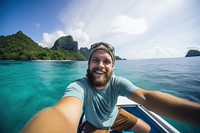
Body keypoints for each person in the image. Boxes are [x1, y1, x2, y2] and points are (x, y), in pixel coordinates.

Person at [22, 42, 200, 133]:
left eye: (106, 61)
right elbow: (62, 113)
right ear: (89, 64)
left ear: (113, 67)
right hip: (95, 124)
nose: (100, 65)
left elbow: (145, 97)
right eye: (95, 60)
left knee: (145, 129)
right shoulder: (79, 86)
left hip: (116, 115)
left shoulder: (117, 82)